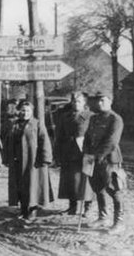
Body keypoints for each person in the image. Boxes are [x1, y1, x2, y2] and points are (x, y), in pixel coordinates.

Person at [83, 91, 127, 233]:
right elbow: (88, 137)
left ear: (110, 101)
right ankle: (103, 217)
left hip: (109, 160)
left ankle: (119, 222)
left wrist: (98, 155)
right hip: (93, 159)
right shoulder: (94, 118)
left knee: (114, 189)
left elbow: (112, 141)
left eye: (103, 100)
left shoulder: (115, 119)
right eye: (97, 101)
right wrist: (87, 153)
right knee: (97, 188)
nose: (99, 103)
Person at [4, 100, 54, 222]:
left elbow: (45, 141)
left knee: (32, 185)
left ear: (32, 112)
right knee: (20, 186)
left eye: (27, 111)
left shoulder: (37, 124)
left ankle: (32, 211)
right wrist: (6, 157)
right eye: (22, 110)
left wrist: (45, 158)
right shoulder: (14, 124)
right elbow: (7, 142)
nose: (24, 113)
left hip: (33, 161)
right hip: (17, 161)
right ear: (18, 111)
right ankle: (23, 209)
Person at [55, 92, 95, 216]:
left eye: (79, 101)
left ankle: (88, 207)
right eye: (74, 101)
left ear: (84, 103)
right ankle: (72, 207)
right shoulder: (65, 116)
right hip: (68, 150)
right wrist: (57, 153)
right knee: (70, 179)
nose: (76, 103)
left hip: (85, 150)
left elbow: (94, 134)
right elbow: (59, 135)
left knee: (86, 178)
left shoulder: (91, 116)